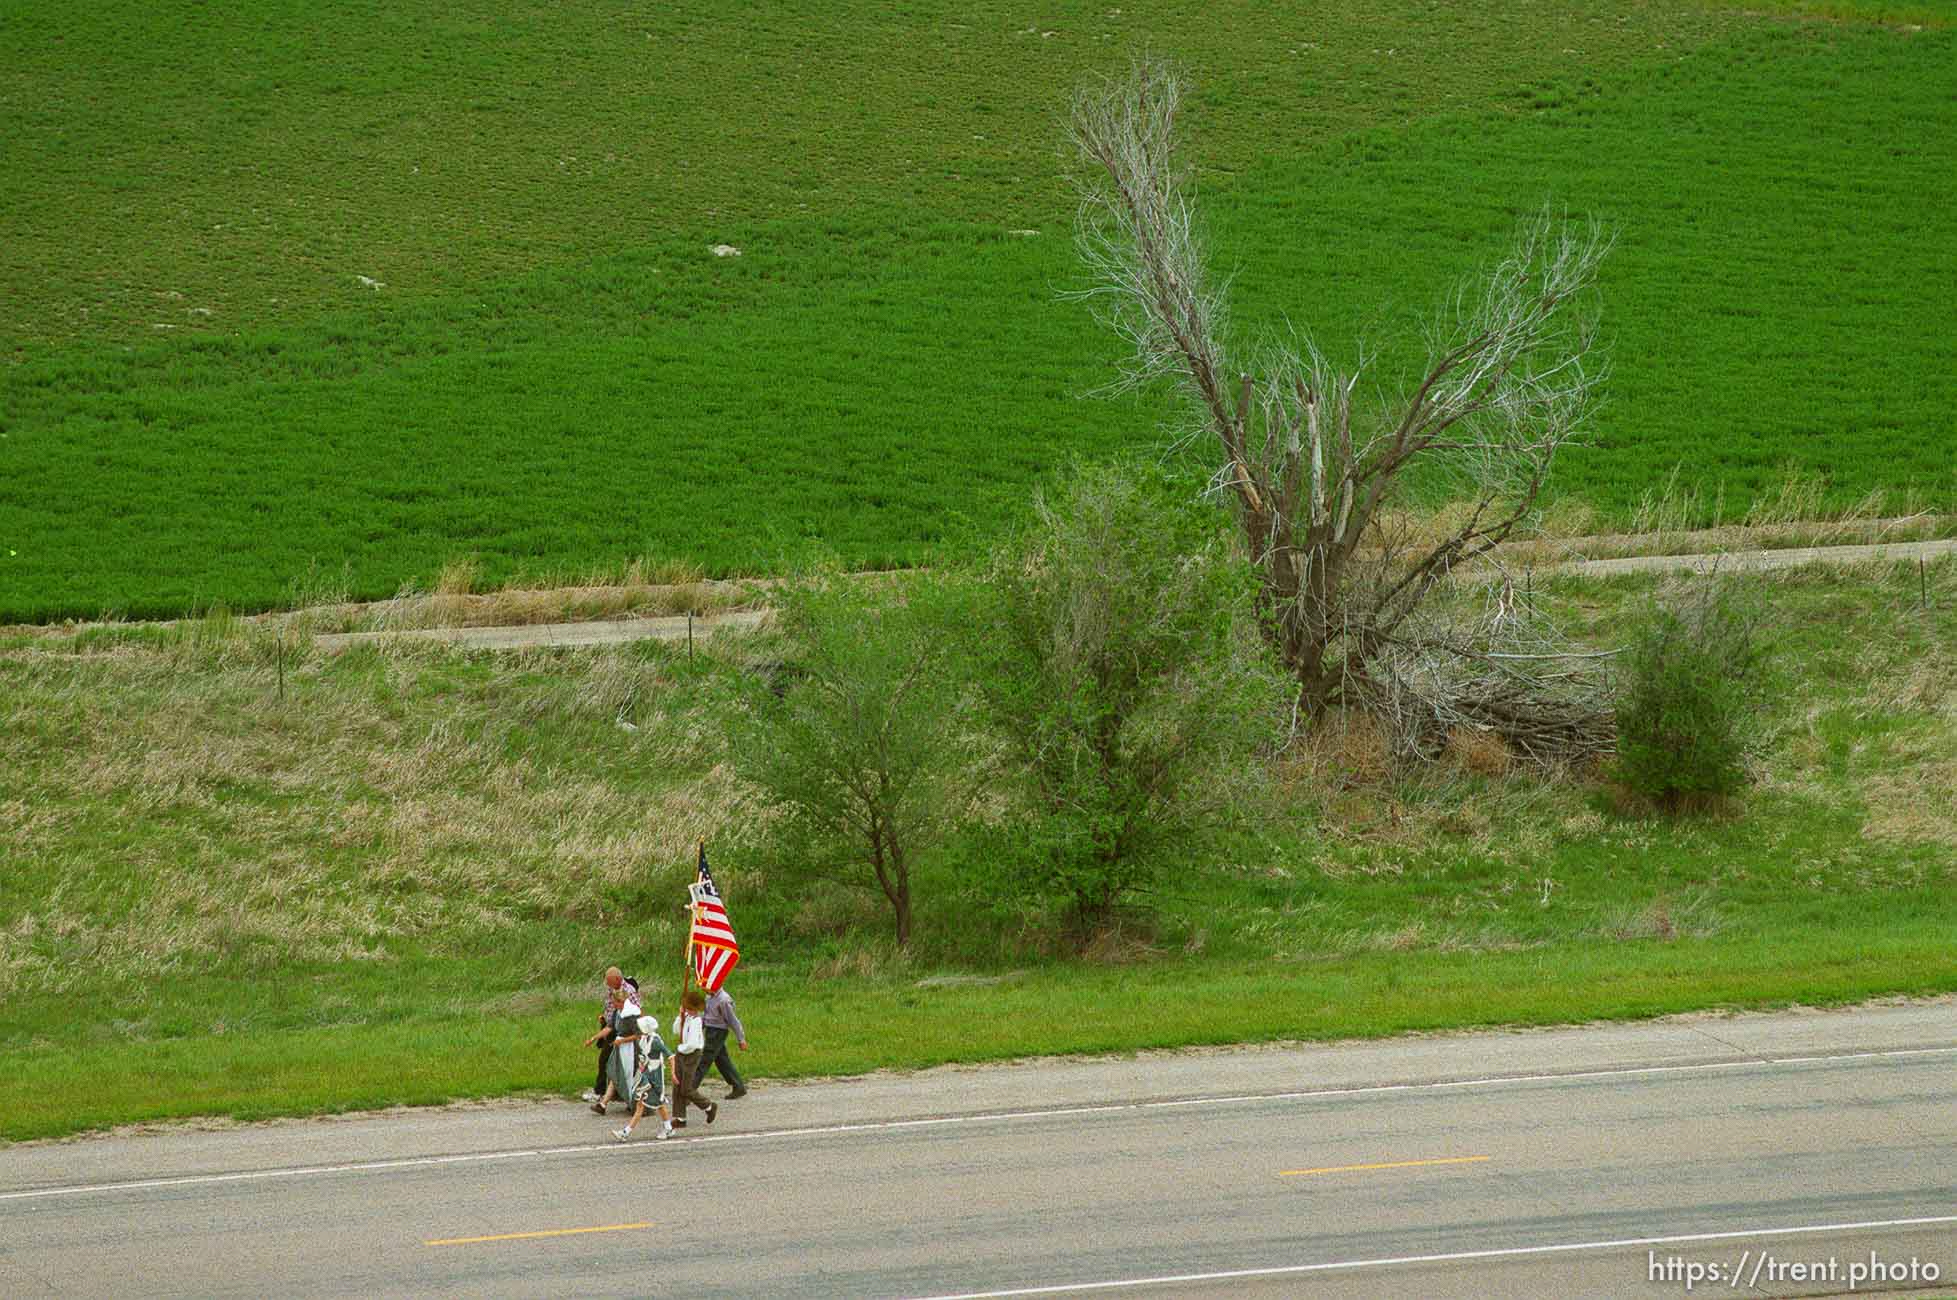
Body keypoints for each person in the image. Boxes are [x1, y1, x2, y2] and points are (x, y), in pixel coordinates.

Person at [615, 1017, 674, 1142]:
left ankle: (626, 1132)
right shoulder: (643, 1039)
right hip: (646, 1075)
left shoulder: (656, 1041)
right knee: (647, 1103)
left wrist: (673, 1073)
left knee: (655, 1103)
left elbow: (671, 1056)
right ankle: (626, 1132)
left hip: (655, 1076)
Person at [668, 988, 719, 1128]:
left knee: (686, 1088)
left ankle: (709, 1106)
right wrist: (680, 1017)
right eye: (687, 1008)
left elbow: (692, 1044)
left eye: (690, 1008)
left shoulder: (697, 1021)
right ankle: (680, 1118)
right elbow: (676, 1031)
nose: (688, 1010)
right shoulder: (687, 1018)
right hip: (682, 1053)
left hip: (692, 1054)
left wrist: (680, 1049)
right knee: (677, 1085)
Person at [581, 967, 624, 1104]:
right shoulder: (616, 1011)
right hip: (611, 1028)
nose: (607, 984)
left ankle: (601, 1094)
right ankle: (612, 1094)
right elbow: (610, 1025)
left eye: (609, 981)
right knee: (609, 1062)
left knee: (606, 1061)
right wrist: (594, 1038)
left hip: (620, 1036)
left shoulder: (627, 997)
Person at [699, 985, 749, 1099]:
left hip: (718, 1032)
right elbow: (706, 1016)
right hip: (710, 1030)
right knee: (722, 1060)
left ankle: (689, 1091)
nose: (703, 989)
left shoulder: (724, 1000)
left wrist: (741, 1039)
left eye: (705, 987)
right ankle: (738, 1086)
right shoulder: (709, 997)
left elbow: (733, 1021)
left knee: (704, 1061)